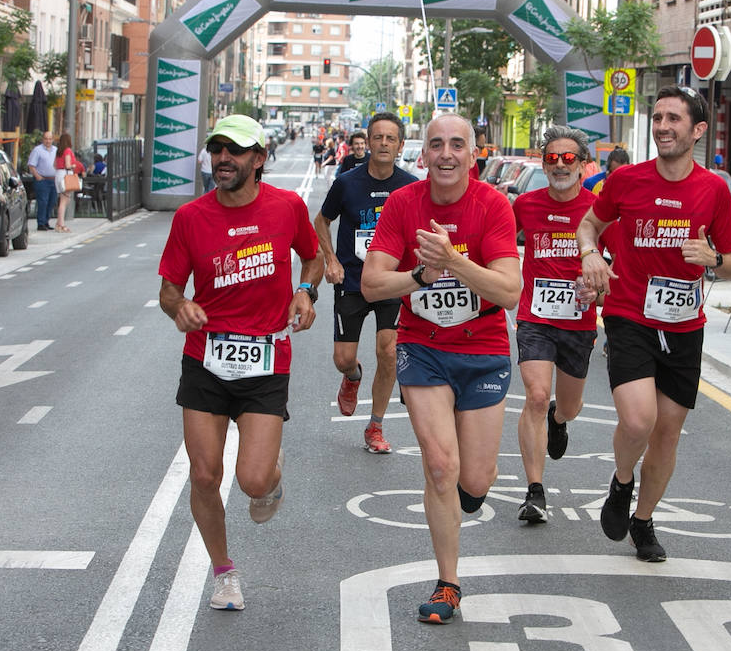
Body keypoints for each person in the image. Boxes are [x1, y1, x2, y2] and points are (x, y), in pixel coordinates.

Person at [158, 114, 322, 612]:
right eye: (216, 149)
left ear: (258, 159)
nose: (223, 159)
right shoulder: (190, 217)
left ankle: (270, 474)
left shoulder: (287, 207)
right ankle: (224, 573)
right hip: (205, 358)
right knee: (205, 475)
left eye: (235, 150)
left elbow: (312, 257)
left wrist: (305, 291)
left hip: (266, 358)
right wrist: (179, 307)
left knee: (252, 481)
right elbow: (168, 288)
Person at [362, 112, 521, 623]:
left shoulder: (494, 205)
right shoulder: (403, 204)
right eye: (436, 145)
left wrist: (452, 262)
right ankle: (448, 583)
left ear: (473, 155)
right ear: (423, 155)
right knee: (440, 466)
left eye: (457, 145)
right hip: (422, 348)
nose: (446, 154)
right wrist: (418, 275)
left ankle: (465, 497)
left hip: (483, 350)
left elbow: (509, 292)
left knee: (476, 478)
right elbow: (371, 285)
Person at [577, 85, 731, 564]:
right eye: (658, 118)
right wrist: (591, 254)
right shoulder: (626, 180)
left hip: (685, 326)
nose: (663, 127)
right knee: (638, 419)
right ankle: (621, 482)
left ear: (697, 130)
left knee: (668, 432)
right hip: (630, 314)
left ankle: (644, 520)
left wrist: (713, 259)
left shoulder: (713, 189)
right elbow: (589, 224)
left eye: (674, 119)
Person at [313, 113, 418, 453]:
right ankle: (352, 376)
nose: (384, 144)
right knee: (344, 357)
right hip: (353, 280)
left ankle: (375, 426)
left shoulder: (411, 186)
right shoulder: (347, 182)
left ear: (399, 145)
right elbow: (322, 220)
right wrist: (331, 259)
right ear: (368, 143)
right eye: (378, 138)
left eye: (391, 139)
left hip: (391, 281)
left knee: (388, 351)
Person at [511, 125, 599, 523]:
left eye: (568, 159)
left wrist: (599, 289)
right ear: (542, 162)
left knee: (570, 405)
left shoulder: (599, 210)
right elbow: (496, 242)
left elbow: (620, 269)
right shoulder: (525, 205)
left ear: (583, 164)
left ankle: (558, 418)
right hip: (535, 317)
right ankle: (534, 492)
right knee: (533, 394)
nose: (560, 165)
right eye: (552, 158)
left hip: (579, 321)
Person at [28, 130, 58, 230]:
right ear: (42, 139)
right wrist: (38, 177)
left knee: (52, 201)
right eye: (46, 139)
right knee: (43, 202)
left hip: (53, 180)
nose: (48, 141)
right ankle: (41, 223)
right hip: (42, 180)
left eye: (50, 139)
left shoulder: (56, 150)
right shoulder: (37, 150)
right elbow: (31, 165)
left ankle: (46, 221)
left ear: (52, 140)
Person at [53, 133, 83, 232]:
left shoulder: (58, 152)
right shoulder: (68, 151)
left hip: (58, 174)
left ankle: (59, 223)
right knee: (64, 201)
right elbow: (68, 165)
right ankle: (61, 225)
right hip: (65, 175)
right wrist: (74, 166)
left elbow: (54, 164)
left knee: (63, 200)